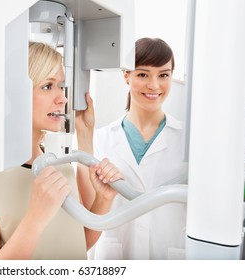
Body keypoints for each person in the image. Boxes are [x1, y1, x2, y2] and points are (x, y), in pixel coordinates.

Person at [0, 41, 122, 260]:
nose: (62, 98)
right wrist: (36, 218)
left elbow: (77, 243)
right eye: (47, 86)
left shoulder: (59, 164)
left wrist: (103, 200)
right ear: (16, 93)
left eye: (61, 86)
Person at [75, 37, 188, 260]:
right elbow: (88, 211)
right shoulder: (100, 139)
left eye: (163, 75)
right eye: (143, 74)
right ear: (126, 75)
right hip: (115, 257)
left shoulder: (189, 140)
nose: (154, 85)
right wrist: (84, 134)